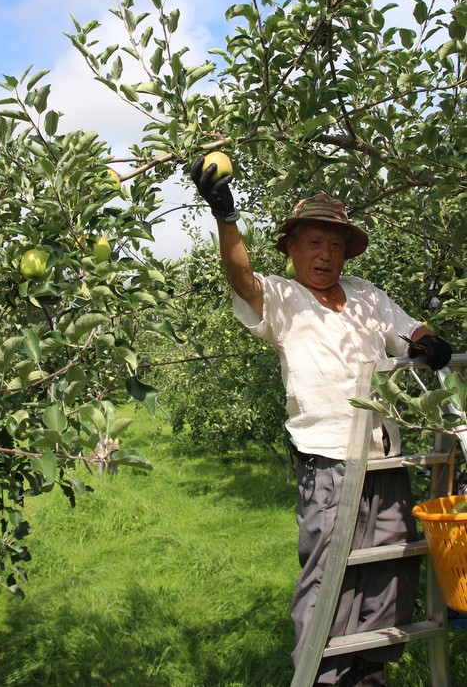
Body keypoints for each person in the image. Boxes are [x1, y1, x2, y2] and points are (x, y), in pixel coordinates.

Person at [191, 158, 454, 687]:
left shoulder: (366, 296)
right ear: (292, 248)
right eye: (314, 243)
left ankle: (369, 673)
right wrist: (225, 216)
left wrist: (427, 340)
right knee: (329, 577)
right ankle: (321, 675)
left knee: (391, 570)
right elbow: (243, 282)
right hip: (330, 462)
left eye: (334, 245)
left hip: (385, 456)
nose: (325, 255)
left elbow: (408, 329)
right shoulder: (284, 299)